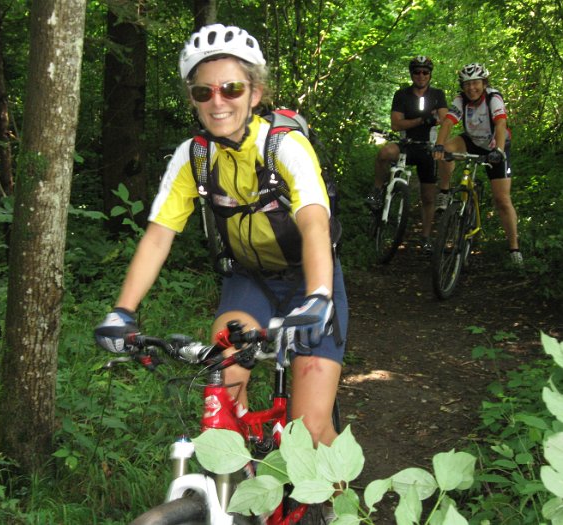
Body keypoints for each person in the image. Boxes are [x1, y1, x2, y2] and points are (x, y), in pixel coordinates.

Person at [94, 24, 348, 453]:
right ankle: (239, 476)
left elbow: (314, 223)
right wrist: (123, 311)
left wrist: (319, 297)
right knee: (223, 384)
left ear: (255, 93)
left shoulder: (284, 146)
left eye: (231, 89)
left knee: (311, 430)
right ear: (193, 99)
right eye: (203, 92)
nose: (217, 101)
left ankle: (341, 497)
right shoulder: (193, 156)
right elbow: (158, 236)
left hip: (310, 279)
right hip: (250, 281)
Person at [432, 63, 522, 265]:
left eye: (476, 83)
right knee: (445, 151)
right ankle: (444, 191)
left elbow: (500, 123)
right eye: (467, 84)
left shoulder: (493, 98)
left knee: (502, 199)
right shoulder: (460, 99)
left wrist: (498, 151)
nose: (471, 88)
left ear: (484, 83)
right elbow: (448, 122)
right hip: (472, 140)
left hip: (495, 144)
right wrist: (438, 145)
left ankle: (514, 248)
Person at [367, 56, 448, 254]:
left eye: (425, 72)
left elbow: (445, 120)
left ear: (430, 74)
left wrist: (428, 122)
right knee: (385, 153)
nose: (421, 75)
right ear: (411, 74)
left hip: (428, 148)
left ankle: (425, 238)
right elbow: (396, 124)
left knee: (428, 197)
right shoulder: (402, 94)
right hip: (406, 144)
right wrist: (422, 120)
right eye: (417, 72)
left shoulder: (437, 94)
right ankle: (377, 190)